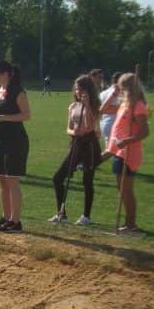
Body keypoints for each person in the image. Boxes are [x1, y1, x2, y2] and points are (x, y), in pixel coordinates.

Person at [0, 61, 31, 233]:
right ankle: (5, 218)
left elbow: (26, 115)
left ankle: (15, 222)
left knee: (12, 180)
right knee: (2, 180)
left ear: (6, 74)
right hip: (0, 140)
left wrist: (3, 118)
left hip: (16, 140)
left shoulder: (18, 91)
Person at [50, 75, 101, 225]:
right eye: (77, 88)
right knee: (58, 178)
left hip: (89, 145)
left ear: (88, 90)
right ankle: (61, 214)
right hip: (76, 144)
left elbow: (90, 126)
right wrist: (74, 132)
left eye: (82, 89)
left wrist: (87, 106)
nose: (78, 92)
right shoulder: (73, 106)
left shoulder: (93, 105)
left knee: (87, 181)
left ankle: (86, 216)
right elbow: (69, 127)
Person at [108, 73, 150, 235]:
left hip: (129, 153)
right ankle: (128, 223)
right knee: (122, 189)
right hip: (120, 151)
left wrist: (127, 141)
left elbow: (145, 132)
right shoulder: (126, 104)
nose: (119, 90)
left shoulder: (138, 105)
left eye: (121, 87)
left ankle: (131, 224)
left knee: (126, 190)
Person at [97, 71, 121, 164]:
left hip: (105, 123)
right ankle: (88, 164)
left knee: (114, 150)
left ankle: (121, 167)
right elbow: (103, 109)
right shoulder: (117, 93)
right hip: (113, 124)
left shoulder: (104, 92)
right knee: (112, 150)